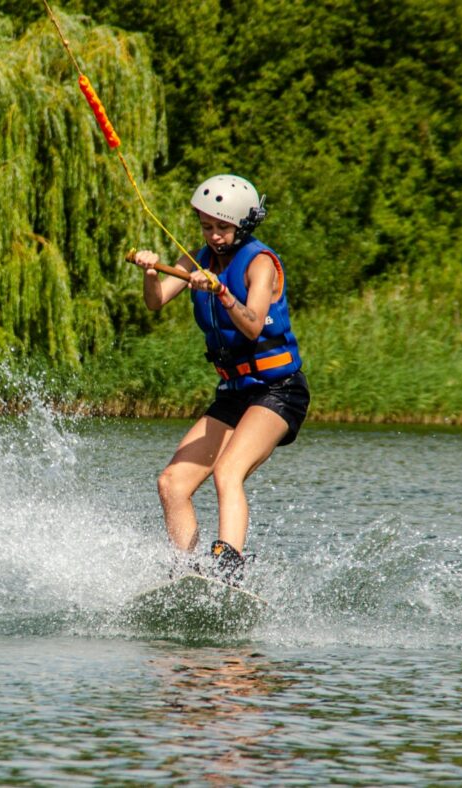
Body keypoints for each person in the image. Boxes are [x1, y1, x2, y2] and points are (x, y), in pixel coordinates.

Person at [129, 174, 310, 586]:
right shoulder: (197, 260)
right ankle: (187, 575)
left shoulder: (261, 263)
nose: (213, 236)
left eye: (222, 228)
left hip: (278, 391)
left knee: (228, 471)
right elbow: (155, 303)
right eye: (207, 226)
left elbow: (251, 326)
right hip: (234, 393)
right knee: (172, 483)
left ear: (242, 226)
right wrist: (151, 272)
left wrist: (222, 293)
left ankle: (229, 569)